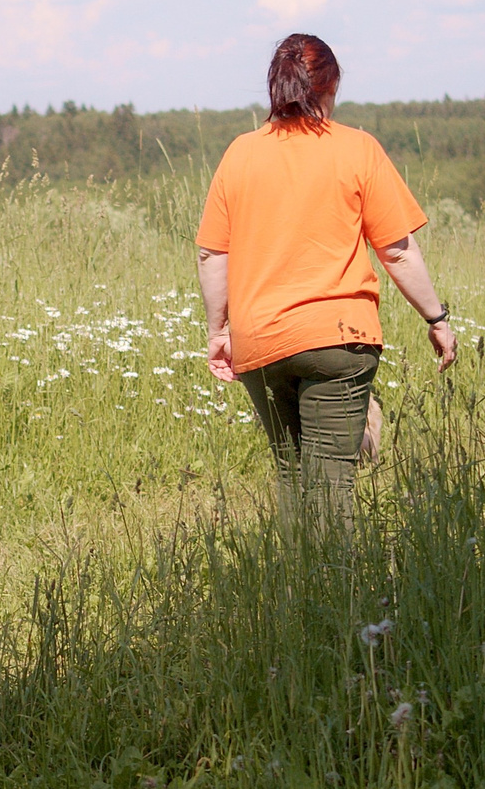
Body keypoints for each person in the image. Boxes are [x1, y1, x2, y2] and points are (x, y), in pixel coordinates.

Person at [194, 33, 457, 527]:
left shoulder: (240, 154)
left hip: (261, 342)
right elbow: (397, 251)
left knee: (292, 478)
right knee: (332, 487)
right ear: (329, 86)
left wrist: (219, 332)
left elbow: (212, 252)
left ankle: (294, 595)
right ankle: (338, 597)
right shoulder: (358, 149)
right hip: (338, 340)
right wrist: (436, 318)